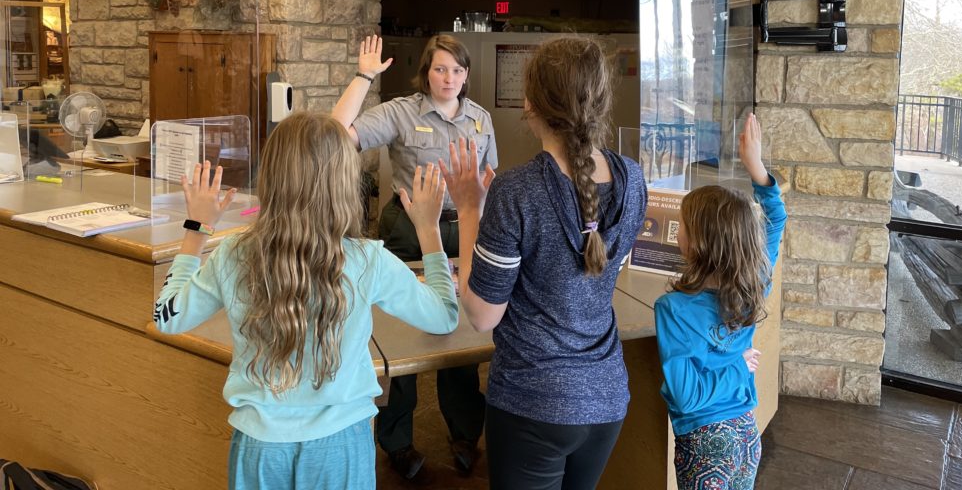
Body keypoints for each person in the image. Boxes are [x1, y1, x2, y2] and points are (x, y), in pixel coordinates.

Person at [152, 112, 459, 490]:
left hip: (260, 448)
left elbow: (167, 316)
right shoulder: (369, 259)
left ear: (270, 178)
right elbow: (444, 316)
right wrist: (429, 230)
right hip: (341, 444)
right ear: (345, 182)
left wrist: (196, 228)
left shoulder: (233, 253)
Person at [440, 35, 648, 490]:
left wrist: (471, 208)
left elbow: (480, 315)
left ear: (530, 103)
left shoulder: (517, 191)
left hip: (534, 403)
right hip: (607, 397)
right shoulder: (634, 179)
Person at [331, 33, 495, 479]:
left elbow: (488, 179)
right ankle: (397, 442)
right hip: (407, 227)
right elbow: (340, 136)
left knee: (459, 336)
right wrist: (364, 75)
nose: (450, 78)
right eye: (441, 69)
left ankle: (465, 435)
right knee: (401, 338)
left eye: (458, 70)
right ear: (426, 72)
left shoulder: (480, 120)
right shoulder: (402, 111)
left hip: (460, 226)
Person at [655, 112, 787, 490]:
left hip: (706, 445)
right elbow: (776, 219)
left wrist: (737, 367)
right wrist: (756, 167)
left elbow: (688, 394)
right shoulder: (752, 284)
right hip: (747, 432)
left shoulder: (675, 310)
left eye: (683, 226)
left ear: (697, 243)